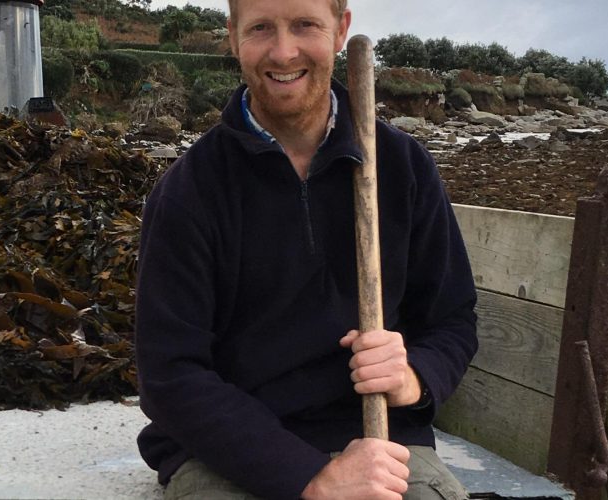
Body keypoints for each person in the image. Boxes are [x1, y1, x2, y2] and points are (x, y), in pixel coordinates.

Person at [133, 0, 478, 499]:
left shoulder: (401, 166)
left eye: (305, 25)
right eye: (261, 29)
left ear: (341, 30)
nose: (284, 50)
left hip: (376, 436)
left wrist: (412, 376)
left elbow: (453, 318)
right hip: (228, 450)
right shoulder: (190, 190)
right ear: (233, 37)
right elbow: (170, 373)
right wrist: (309, 479)